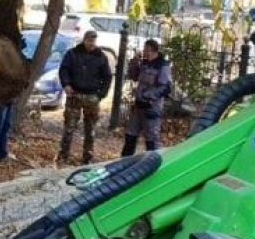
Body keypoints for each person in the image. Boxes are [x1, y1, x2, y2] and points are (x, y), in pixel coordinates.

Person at [56, 30, 113, 165]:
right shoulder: (73, 53)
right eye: (89, 40)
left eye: (93, 40)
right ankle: (63, 156)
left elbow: (107, 77)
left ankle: (87, 157)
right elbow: (64, 69)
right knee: (69, 128)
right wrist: (66, 84)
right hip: (74, 94)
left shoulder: (101, 57)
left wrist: (101, 94)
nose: (91, 43)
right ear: (84, 40)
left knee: (90, 130)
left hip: (92, 97)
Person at [122, 39, 172, 156]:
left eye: (145, 49)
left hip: (151, 108)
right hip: (138, 106)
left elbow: (166, 88)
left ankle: (153, 162)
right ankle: (124, 161)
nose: (143, 52)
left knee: (151, 140)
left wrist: (148, 95)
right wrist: (134, 62)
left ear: (151, 50)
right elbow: (133, 76)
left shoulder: (163, 66)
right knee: (130, 135)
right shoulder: (144, 63)